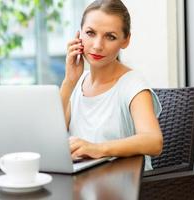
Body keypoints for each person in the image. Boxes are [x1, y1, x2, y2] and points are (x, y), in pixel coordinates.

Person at [60, 0, 163, 170]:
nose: (98, 45)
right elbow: (50, 135)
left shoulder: (133, 84)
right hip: (84, 182)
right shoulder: (77, 83)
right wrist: (69, 81)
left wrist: (97, 149)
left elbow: (153, 141)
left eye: (110, 36)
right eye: (90, 33)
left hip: (126, 185)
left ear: (125, 40)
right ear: (79, 36)